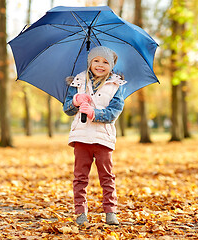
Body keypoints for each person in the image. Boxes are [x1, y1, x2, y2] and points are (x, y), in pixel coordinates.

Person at [63, 46, 126, 225]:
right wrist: (76, 101)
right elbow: (67, 109)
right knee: (80, 176)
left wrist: (94, 113)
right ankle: (80, 213)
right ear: (90, 62)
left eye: (105, 62)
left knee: (107, 176)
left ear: (111, 66)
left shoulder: (116, 85)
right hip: (81, 136)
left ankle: (110, 211)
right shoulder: (78, 82)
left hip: (103, 138)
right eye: (96, 60)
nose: (100, 65)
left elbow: (114, 112)